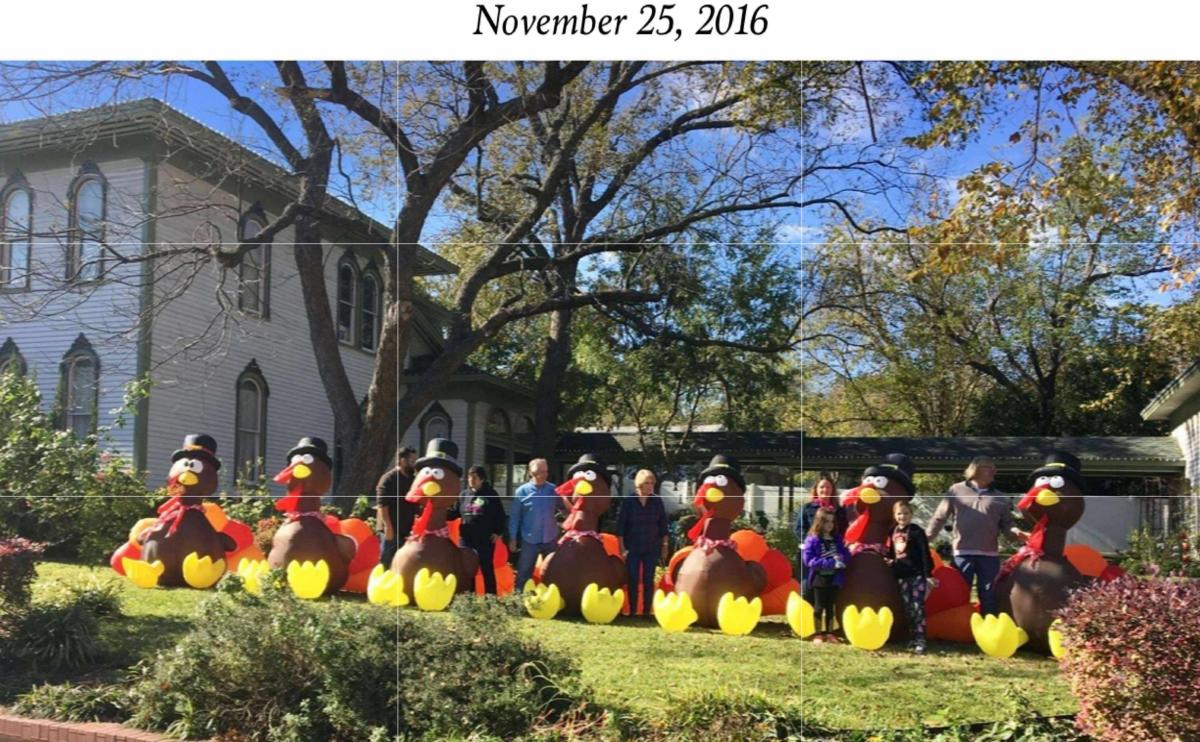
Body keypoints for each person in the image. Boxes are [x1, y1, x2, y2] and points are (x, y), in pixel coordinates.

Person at [925, 456, 1030, 616]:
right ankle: (960, 629)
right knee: (959, 594)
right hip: (962, 553)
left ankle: (987, 629)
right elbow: (940, 517)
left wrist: (1017, 533)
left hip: (989, 555)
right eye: (990, 467)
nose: (994, 471)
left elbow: (1007, 524)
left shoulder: (999, 497)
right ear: (976, 469)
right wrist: (926, 539)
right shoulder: (956, 490)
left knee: (988, 595)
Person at [886, 500, 937, 654]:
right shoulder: (892, 531)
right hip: (901, 575)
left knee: (917, 607)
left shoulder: (916, 531)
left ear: (911, 514)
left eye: (906, 513)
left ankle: (921, 639)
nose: (903, 516)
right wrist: (889, 561)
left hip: (917, 575)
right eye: (899, 513)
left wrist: (928, 575)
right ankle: (912, 638)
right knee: (908, 608)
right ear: (895, 515)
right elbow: (891, 552)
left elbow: (924, 554)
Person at [616, 469, 669, 617]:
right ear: (639, 484)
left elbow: (663, 525)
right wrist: (622, 548)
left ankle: (646, 612)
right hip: (632, 548)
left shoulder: (657, 501)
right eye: (647, 483)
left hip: (651, 547)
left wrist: (665, 545)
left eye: (652, 483)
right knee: (632, 579)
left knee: (648, 579)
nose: (650, 485)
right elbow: (621, 527)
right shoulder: (628, 502)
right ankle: (632, 611)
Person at [448, 466, 507, 595]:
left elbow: (500, 516)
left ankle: (490, 598)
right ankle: (469, 596)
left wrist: (497, 532)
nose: (471, 480)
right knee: (467, 568)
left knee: (486, 567)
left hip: (484, 538)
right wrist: (440, 511)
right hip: (466, 538)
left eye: (475, 477)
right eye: (469, 477)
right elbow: (454, 513)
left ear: (482, 479)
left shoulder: (491, 494)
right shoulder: (464, 495)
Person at [509, 458, 564, 590]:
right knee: (524, 573)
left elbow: (564, 508)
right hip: (529, 539)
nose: (544, 475)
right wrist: (512, 538)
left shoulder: (553, 490)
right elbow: (515, 517)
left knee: (553, 573)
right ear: (532, 473)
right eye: (541, 472)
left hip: (550, 539)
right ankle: (519, 602)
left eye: (546, 471)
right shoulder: (522, 491)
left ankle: (553, 603)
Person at [802, 507, 851, 643]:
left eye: (832, 521)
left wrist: (842, 558)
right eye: (826, 521)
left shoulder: (837, 539)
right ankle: (818, 633)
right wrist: (830, 563)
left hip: (835, 578)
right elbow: (809, 560)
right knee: (819, 606)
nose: (830, 524)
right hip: (819, 577)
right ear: (819, 522)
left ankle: (829, 633)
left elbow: (847, 554)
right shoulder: (812, 540)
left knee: (831, 606)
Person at [795, 475, 848, 598]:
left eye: (828, 487)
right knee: (807, 585)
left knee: (831, 586)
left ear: (833, 490)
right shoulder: (807, 508)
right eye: (822, 487)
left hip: (831, 552)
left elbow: (844, 529)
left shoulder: (839, 510)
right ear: (816, 489)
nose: (825, 490)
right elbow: (799, 528)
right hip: (811, 550)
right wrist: (810, 542)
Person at [375, 446, 419, 566]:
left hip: (406, 530)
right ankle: (382, 583)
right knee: (386, 561)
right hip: (390, 529)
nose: (414, 464)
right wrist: (388, 527)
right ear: (402, 460)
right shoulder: (388, 479)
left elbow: (416, 504)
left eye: (415, 461)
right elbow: (382, 505)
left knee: (402, 564)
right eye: (411, 461)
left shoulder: (413, 481)